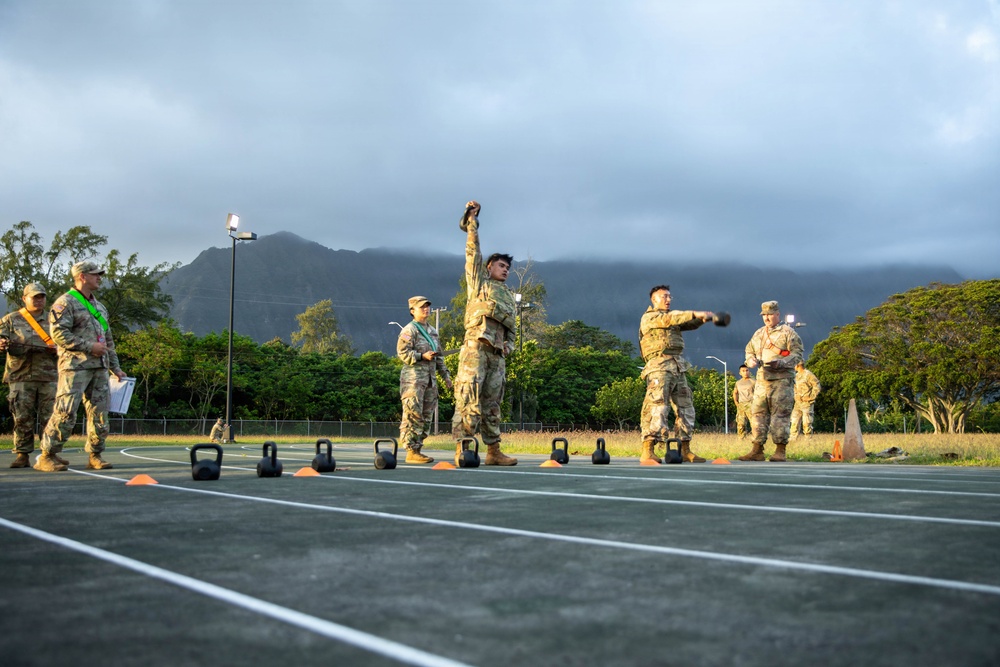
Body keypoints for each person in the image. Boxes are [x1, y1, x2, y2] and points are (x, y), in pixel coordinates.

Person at [34, 261, 128, 472]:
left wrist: (116, 367)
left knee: (100, 414)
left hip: (100, 368)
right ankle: (47, 455)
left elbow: (108, 340)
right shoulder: (65, 303)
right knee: (65, 412)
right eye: (95, 275)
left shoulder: (99, 307)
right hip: (75, 367)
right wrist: (88, 346)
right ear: (82, 276)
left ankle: (95, 455)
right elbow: (58, 334)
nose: (99, 278)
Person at [451, 200, 518, 466]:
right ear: (490, 267)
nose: (506, 270)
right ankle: (464, 448)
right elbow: (473, 254)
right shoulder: (480, 284)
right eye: (501, 265)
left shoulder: (509, 297)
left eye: (508, 268)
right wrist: (472, 226)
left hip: (496, 354)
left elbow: (512, 328)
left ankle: (493, 451)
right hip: (476, 348)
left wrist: (508, 348)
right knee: (469, 397)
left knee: (493, 404)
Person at [638, 285, 718, 463]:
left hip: (677, 366)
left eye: (669, 297)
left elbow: (687, 323)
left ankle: (685, 449)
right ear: (654, 300)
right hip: (659, 365)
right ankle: (648, 449)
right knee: (657, 405)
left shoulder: (672, 318)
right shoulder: (650, 317)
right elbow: (671, 319)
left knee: (685, 407)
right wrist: (695, 313)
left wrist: (702, 319)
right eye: (663, 296)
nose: (668, 299)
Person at [0, 283, 59, 468]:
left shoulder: (55, 320)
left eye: (42, 296)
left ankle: (49, 454)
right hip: (20, 376)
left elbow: (67, 343)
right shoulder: (10, 319)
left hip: (48, 376)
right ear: (24, 298)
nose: (39, 300)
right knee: (21, 417)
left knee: (50, 418)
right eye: (35, 297)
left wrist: (58, 349)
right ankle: (22, 454)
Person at [739, 300, 803, 462]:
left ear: (777, 314)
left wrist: (781, 362)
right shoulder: (759, 333)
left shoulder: (788, 333)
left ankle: (780, 450)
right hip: (762, 380)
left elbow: (797, 355)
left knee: (780, 415)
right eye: (764, 315)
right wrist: (750, 360)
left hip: (781, 381)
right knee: (758, 414)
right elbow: (749, 350)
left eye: (769, 314)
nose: (766, 318)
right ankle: (757, 449)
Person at [397, 296, 453, 464]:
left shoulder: (432, 331)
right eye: (422, 307)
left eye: (428, 306)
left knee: (426, 415)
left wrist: (446, 376)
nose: (426, 309)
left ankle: (418, 449)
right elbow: (403, 353)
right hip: (413, 381)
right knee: (413, 414)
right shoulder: (409, 330)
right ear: (412, 311)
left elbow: (439, 357)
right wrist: (422, 355)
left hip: (430, 381)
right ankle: (411, 450)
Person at [790, 361, 821, 438]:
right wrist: (795, 396)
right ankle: (792, 441)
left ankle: (808, 441)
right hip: (798, 403)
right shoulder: (796, 376)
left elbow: (817, 386)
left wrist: (811, 397)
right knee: (794, 422)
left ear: (798, 365)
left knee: (807, 423)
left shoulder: (808, 374)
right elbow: (794, 387)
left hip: (807, 403)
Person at [732, 364, 755, 440]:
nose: (745, 372)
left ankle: (756, 440)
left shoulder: (753, 381)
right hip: (741, 405)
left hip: (751, 404)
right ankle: (741, 439)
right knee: (741, 424)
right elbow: (735, 392)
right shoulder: (738, 383)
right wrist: (736, 402)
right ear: (740, 373)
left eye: (747, 370)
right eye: (743, 371)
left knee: (754, 424)